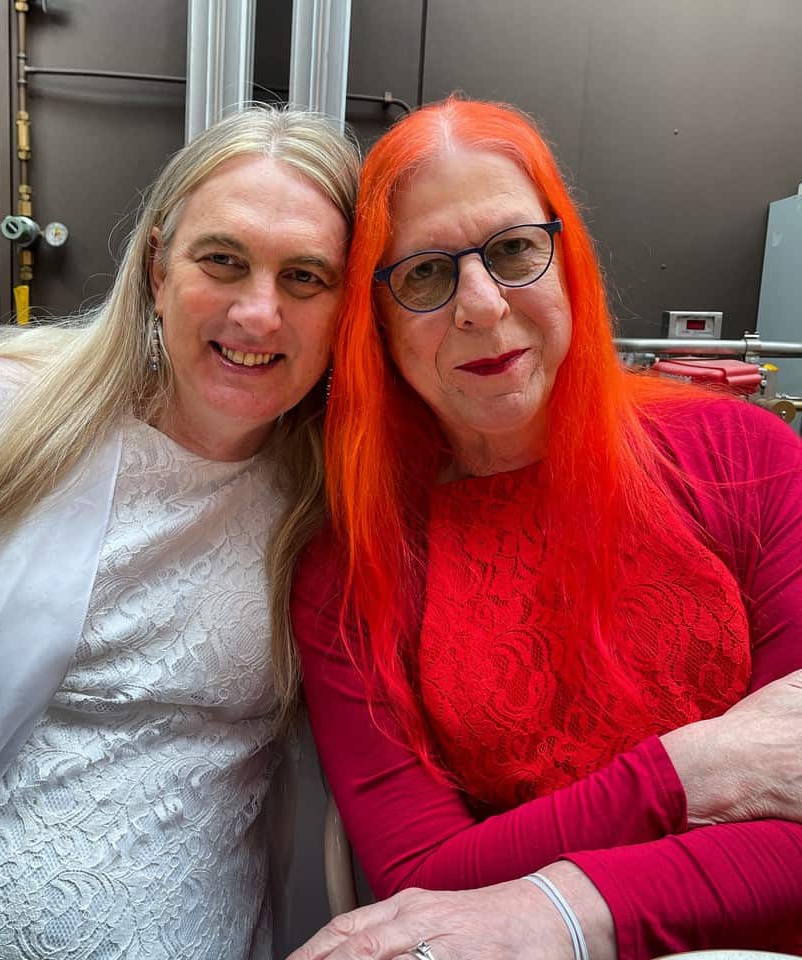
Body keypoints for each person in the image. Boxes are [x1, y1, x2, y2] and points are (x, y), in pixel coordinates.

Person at [289, 98, 802, 960]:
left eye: (515, 250)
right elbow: (420, 869)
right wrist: (693, 773)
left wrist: (563, 905)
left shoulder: (741, 456)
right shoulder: (351, 563)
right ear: (372, 320)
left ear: (568, 260)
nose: (483, 308)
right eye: (423, 274)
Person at [0, 105, 359, 960]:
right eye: (222, 260)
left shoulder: (328, 494)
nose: (259, 313)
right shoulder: (4, 412)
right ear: (158, 266)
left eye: (306, 277)